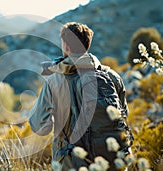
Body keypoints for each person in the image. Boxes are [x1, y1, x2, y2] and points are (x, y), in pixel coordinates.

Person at [29, 22, 131, 170]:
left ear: (66, 46)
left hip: (72, 163)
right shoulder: (112, 76)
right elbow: (123, 116)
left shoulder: (55, 80)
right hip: (113, 160)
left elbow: (40, 126)